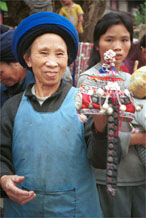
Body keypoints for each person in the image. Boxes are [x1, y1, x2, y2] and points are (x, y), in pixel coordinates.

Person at [0, 11, 113, 217]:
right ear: (28, 59)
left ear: (68, 59)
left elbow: (101, 161)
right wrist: (4, 178)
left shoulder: (85, 103)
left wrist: (101, 126)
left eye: (59, 54)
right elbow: (1, 154)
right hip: (23, 210)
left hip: (77, 210)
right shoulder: (11, 108)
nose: (52, 62)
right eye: (43, 53)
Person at [77, 12, 146, 217]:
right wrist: (139, 139)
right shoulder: (89, 81)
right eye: (109, 39)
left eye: (124, 40)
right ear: (97, 44)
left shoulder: (134, 79)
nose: (118, 46)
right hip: (110, 179)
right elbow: (92, 136)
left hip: (141, 175)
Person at [0, 30, 35, 108]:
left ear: (16, 63)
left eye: (1, 73)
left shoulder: (45, 86)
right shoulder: (2, 91)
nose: (0, 80)